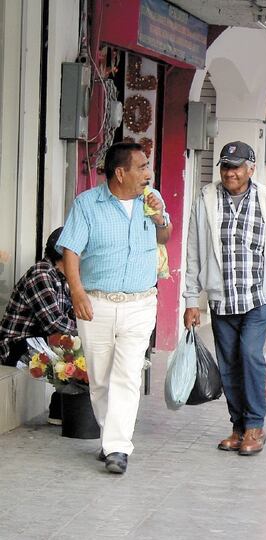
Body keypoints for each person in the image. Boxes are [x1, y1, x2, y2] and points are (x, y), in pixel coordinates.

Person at [57, 142, 172, 474]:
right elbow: (71, 251)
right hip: (98, 302)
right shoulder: (87, 204)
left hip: (140, 302)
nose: (148, 173)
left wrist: (159, 216)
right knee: (101, 378)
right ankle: (111, 439)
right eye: (142, 166)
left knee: (128, 374)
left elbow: (164, 236)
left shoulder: (152, 199)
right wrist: (76, 292)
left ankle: (118, 448)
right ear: (120, 172)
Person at [183, 141, 266, 458]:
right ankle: (237, 425)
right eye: (225, 166)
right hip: (222, 297)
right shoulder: (205, 200)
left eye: (236, 167)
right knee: (229, 364)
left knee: (249, 355)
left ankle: (255, 425)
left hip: (259, 294)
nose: (229, 172)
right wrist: (191, 298)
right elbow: (193, 251)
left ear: (250, 169)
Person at [0, 228, 77, 425]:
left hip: (39, 341)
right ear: (65, 254)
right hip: (15, 348)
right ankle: (61, 410)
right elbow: (54, 323)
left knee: (81, 348)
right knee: (79, 351)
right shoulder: (42, 275)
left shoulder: (62, 278)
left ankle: (62, 409)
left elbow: (70, 319)